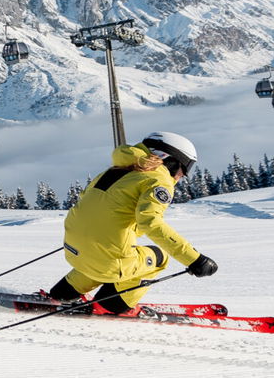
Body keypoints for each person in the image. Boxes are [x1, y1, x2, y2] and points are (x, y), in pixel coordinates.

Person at [44, 130, 218, 312]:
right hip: (105, 260)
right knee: (158, 257)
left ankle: (61, 293)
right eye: (186, 167)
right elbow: (150, 223)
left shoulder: (114, 170)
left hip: (74, 251)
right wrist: (195, 259)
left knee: (111, 254)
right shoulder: (159, 179)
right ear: (171, 160)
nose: (182, 176)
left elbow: (90, 205)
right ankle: (110, 305)